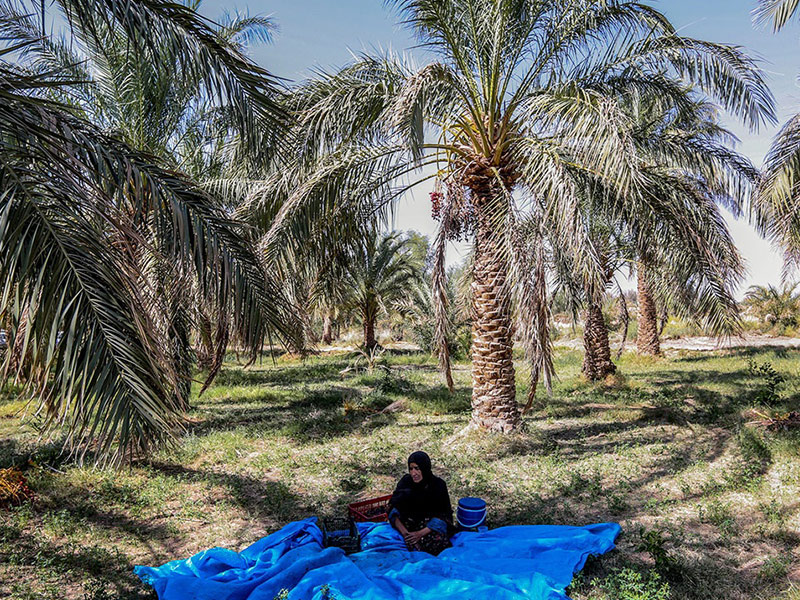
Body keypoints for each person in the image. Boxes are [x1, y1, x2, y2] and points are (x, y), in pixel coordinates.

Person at [388, 450, 453, 555]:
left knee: (439, 544)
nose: (413, 473)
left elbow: (444, 516)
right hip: (408, 525)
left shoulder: (438, 485)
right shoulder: (406, 482)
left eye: (417, 469)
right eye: (411, 469)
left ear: (425, 468)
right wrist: (406, 535)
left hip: (429, 527)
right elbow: (392, 508)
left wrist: (419, 534)